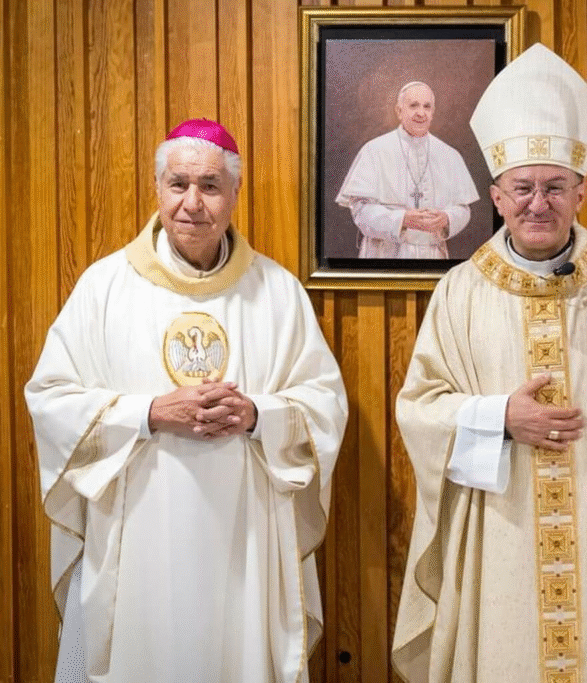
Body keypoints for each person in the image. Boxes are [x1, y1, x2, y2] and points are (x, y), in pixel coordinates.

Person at [391, 44, 587, 682]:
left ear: (581, 192)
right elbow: (419, 409)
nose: (539, 203)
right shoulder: (461, 291)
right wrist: (500, 417)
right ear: (496, 196)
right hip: (502, 527)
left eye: (555, 187)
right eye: (523, 188)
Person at [25, 119, 348, 683]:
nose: (192, 203)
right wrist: (150, 413)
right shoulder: (105, 288)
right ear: (157, 188)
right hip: (137, 538)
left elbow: (323, 403)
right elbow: (51, 398)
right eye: (178, 184)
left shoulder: (277, 292)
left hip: (245, 541)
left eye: (210, 186)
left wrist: (257, 415)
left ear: (235, 193)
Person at [335, 81, 479, 259]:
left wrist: (447, 218)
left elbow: (463, 209)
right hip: (384, 254)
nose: (421, 113)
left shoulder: (449, 155)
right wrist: (402, 220)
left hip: (432, 255)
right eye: (413, 106)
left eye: (427, 107)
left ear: (433, 112)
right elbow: (360, 211)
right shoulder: (374, 150)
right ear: (399, 111)